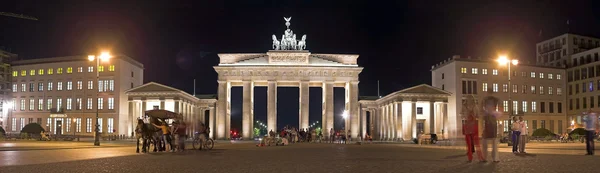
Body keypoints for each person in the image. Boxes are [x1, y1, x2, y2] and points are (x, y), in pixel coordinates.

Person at [481, 95, 501, 162]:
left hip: (493, 130)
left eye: (491, 104)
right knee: (485, 145)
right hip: (487, 129)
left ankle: (495, 158)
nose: (489, 106)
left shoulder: (494, 113)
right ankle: (484, 157)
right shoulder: (486, 113)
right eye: (488, 104)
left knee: (494, 145)